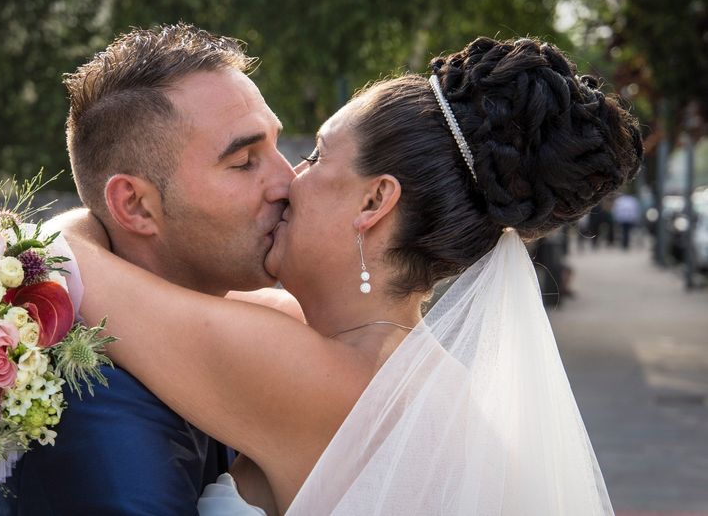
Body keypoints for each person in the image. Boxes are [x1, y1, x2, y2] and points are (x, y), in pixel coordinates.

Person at [58, 37, 643, 514]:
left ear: (374, 204)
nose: (289, 179)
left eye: (314, 155)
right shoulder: (396, 363)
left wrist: (81, 218)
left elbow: (67, 260)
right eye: (245, 160)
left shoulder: (319, 375)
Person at [0, 23, 296, 515]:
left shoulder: (242, 329)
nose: (288, 182)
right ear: (135, 206)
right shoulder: (101, 408)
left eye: (277, 147)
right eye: (243, 162)